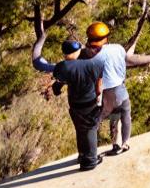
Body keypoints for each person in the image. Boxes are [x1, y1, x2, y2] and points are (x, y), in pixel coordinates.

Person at [33, 38, 105, 171]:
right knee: (90, 129)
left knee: (79, 129)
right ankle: (90, 161)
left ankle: (82, 155)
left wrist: (56, 89)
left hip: (74, 103)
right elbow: (99, 84)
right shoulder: (94, 64)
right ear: (77, 50)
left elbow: (60, 81)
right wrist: (99, 96)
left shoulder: (62, 67)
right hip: (90, 102)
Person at [86, 22, 132, 156]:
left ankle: (108, 146)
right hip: (121, 89)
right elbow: (123, 61)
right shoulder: (119, 48)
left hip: (107, 93)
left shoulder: (95, 57)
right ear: (106, 37)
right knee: (125, 116)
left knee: (105, 119)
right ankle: (125, 143)